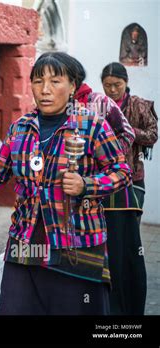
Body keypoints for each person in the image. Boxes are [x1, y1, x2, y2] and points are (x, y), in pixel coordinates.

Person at [0, 52, 131, 315]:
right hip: (26, 242)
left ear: (72, 86)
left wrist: (86, 185)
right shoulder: (21, 128)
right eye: (37, 81)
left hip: (75, 244)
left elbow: (120, 171)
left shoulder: (92, 125)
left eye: (55, 81)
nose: (45, 90)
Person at [100, 62, 158, 315]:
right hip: (106, 179)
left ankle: (128, 291)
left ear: (125, 83)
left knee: (129, 234)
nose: (112, 90)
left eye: (117, 85)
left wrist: (128, 131)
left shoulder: (138, 105)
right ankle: (111, 292)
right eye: (107, 85)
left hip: (133, 178)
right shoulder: (98, 106)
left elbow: (153, 134)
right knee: (110, 235)